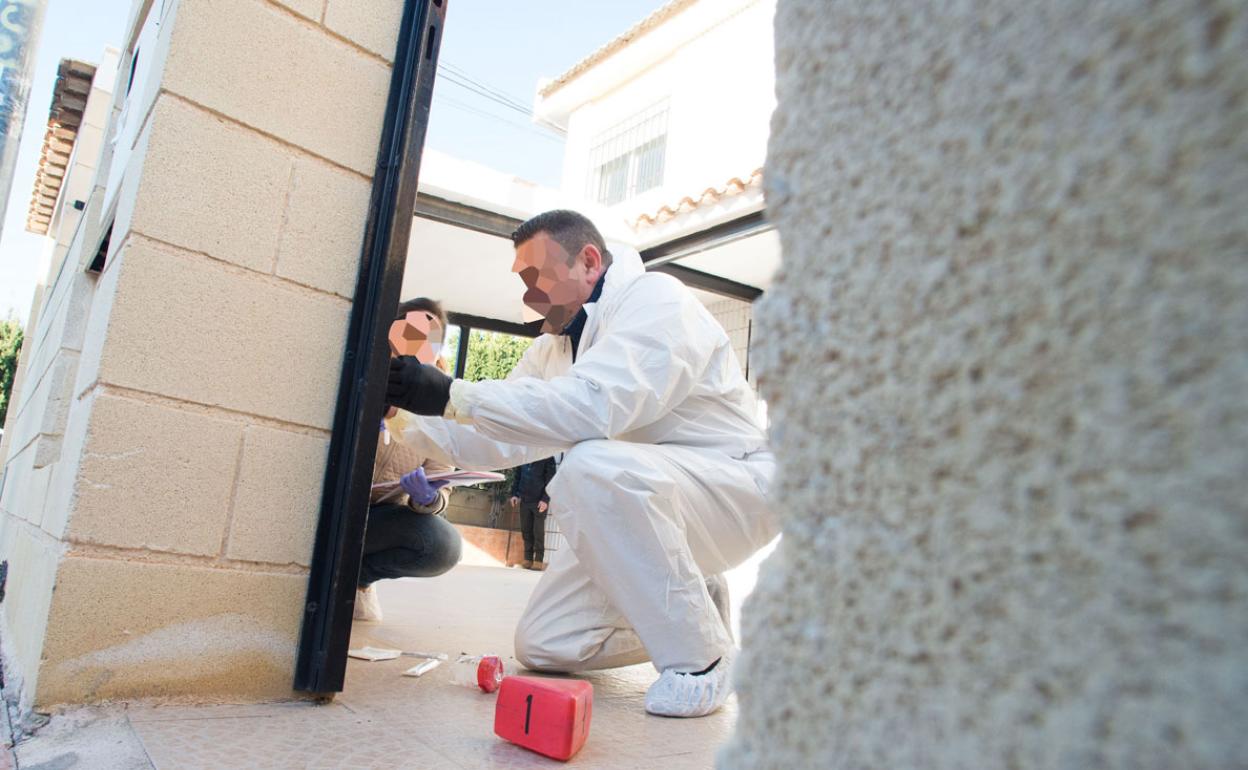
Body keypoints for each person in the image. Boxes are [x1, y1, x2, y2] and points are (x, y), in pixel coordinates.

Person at [387, 210, 777, 718]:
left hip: (732, 492)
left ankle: (701, 659)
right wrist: (403, 413)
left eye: (536, 278)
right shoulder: (553, 348)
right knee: (547, 643)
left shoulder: (656, 300)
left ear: (589, 261)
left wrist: (452, 393)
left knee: (592, 465)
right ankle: (697, 601)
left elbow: (595, 406)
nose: (529, 297)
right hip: (648, 503)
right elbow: (495, 437)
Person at [354, 298, 463, 622]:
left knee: (443, 546)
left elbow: (442, 485)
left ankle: (357, 578)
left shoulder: (440, 408)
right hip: (334, 506)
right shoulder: (359, 372)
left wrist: (427, 499)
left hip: (380, 519)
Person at [508, 457, 558, 570]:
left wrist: (545, 499)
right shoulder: (524, 456)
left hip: (539, 502)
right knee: (526, 530)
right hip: (524, 500)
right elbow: (517, 477)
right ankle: (528, 559)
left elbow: (551, 480)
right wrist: (515, 494)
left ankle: (538, 560)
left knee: (538, 531)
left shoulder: (548, 457)